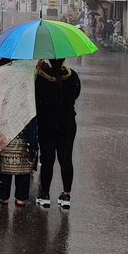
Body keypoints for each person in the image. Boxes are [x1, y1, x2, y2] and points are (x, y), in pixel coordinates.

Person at [0, 58, 37, 209]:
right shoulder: (30, 70)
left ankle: (3, 196)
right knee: (23, 162)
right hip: (24, 124)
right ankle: (21, 198)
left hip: (2, 124)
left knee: (4, 160)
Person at [34, 58, 81, 212]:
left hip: (46, 123)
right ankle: (66, 195)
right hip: (67, 123)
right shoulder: (72, 75)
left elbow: (36, 98)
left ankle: (45, 194)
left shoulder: (41, 77)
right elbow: (75, 95)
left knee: (47, 159)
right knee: (66, 158)